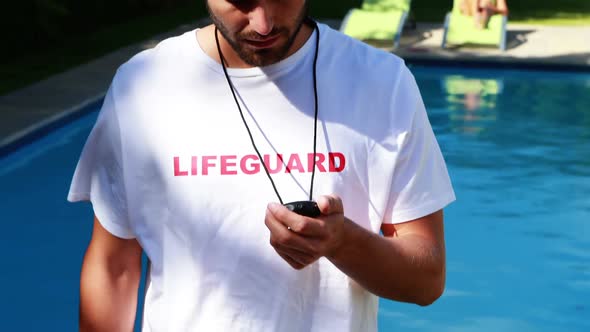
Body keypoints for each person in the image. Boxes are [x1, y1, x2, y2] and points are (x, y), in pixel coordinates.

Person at [68, 1, 455, 331]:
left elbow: (426, 281)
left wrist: (344, 242)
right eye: (241, 0)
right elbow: (114, 266)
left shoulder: (381, 83)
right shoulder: (144, 85)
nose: (263, 23)